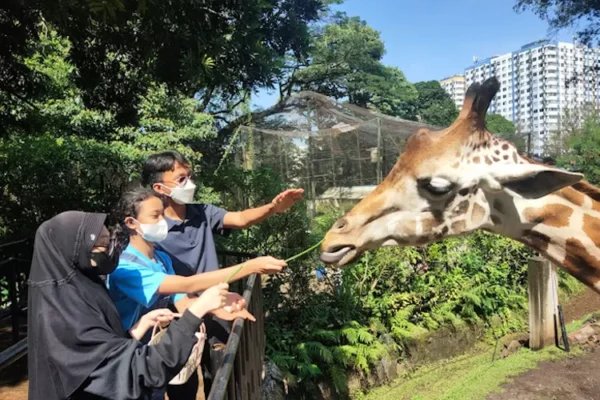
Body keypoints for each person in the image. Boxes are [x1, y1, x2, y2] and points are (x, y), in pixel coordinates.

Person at [141, 150, 303, 397]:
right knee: (182, 383)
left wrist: (273, 207)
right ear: (159, 187)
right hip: (179, 312)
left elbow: (240, 219)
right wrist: (249, 267)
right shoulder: (153, 230)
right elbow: (183, 285)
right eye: (181, 179)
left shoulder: (202, 212)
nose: (190, 184)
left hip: (219, 308)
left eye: (190, 176)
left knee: (225, 375)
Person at [27, 211, 231, 400]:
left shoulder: (84, 287)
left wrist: (136, 329)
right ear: (74, 249)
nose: (108, 250)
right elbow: (137, 373)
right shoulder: (62, 314)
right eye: (100, 244)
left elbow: (102, 354)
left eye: (108, 242)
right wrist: (195, 312)